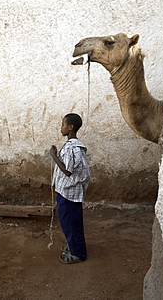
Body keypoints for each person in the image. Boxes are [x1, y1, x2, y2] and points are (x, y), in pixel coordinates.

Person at [50, 113, 90, 264]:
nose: (61, 128)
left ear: (70, 127)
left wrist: (54, 156)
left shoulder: (73, 148)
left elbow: (67, 171)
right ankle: (73, 246)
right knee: (68, 222)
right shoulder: (70, 146)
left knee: (72, 223)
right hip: (65, 192)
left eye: (63, 125)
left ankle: (79, 253)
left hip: (69, 194)